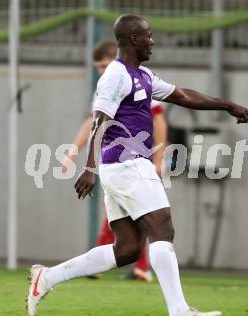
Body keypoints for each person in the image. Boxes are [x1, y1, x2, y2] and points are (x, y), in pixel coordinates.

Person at [26, 14, 248, 316]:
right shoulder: (115, 75)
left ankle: (47, 278)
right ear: (134, 39)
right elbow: (100, 120)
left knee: (126, 249)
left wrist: (229, 105)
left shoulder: (144, 76)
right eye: (148, 35)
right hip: (126, 164)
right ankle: (179, 311)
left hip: (124, 167)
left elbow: (184, 96)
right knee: (162, 227)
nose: (152, 41)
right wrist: (90, 168)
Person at [61, 41, 167, 282]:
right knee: (132, 218)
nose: (101, 71)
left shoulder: (136, 80)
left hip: (139, 162)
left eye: (103, 65)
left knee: (144, 219)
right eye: (98, 67)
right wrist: (72, 153)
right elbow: (93, 124)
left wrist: (158, 159)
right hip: (117, 163)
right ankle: (141, 269)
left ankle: (138, 268)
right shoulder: (105, 87)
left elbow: (159, 121)